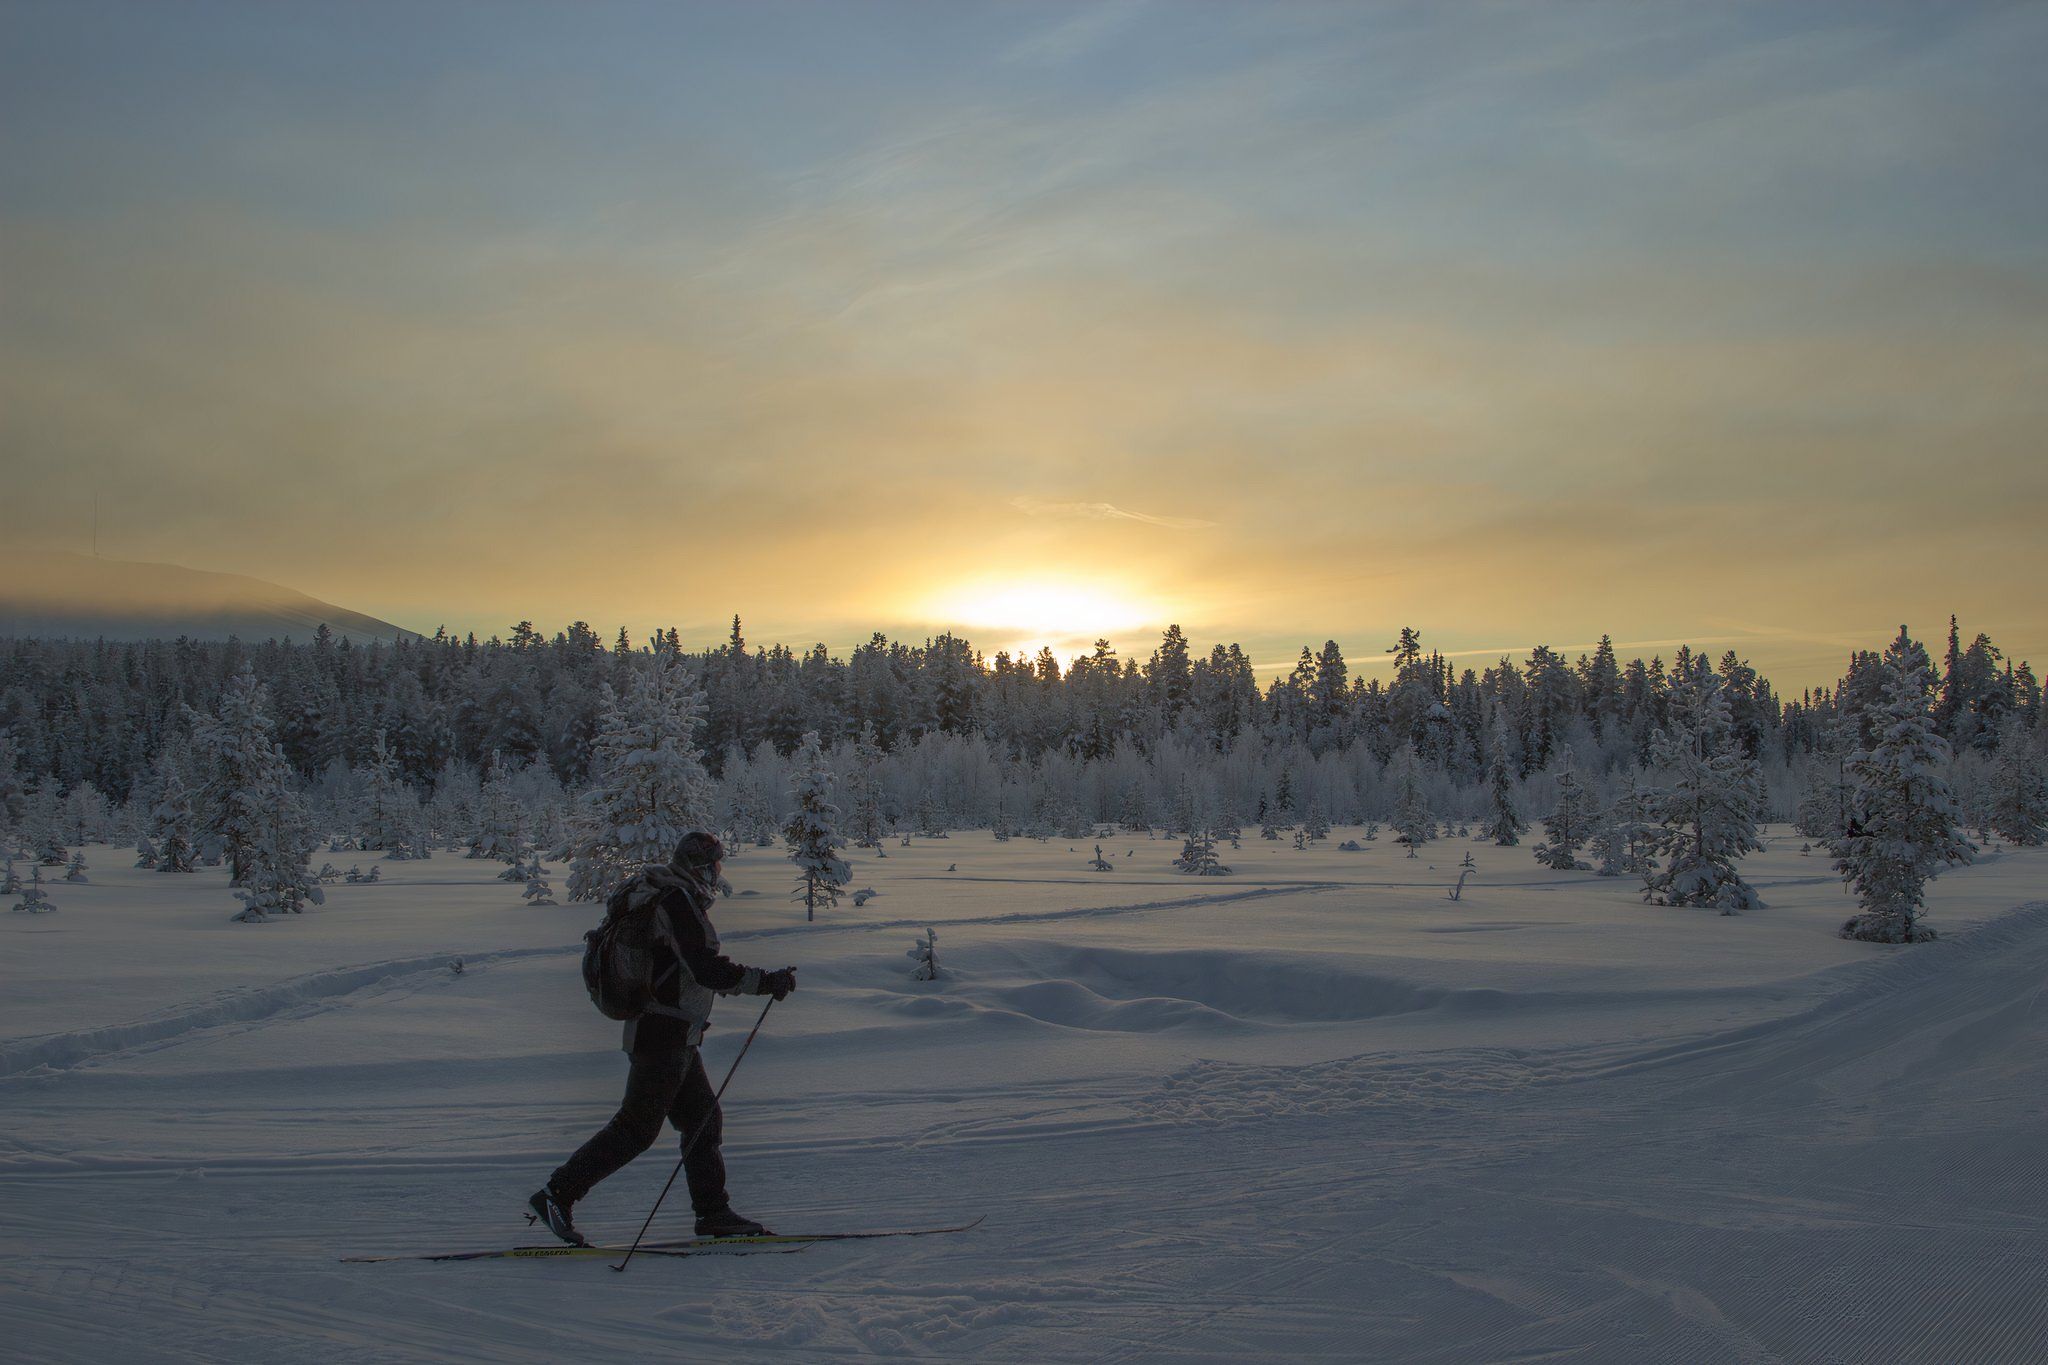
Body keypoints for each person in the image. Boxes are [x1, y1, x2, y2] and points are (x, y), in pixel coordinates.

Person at [528, 832, 796, 1245]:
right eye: (715, 866)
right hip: (663, 1034)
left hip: (673, 1033)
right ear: (700, 866)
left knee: (702, 1121)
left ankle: (713, 1213)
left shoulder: (666, 896)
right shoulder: (675, 901)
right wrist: (764, 982)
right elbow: (705, 968)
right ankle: (557, 1195)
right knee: (636, 1129)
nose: (717, 873)